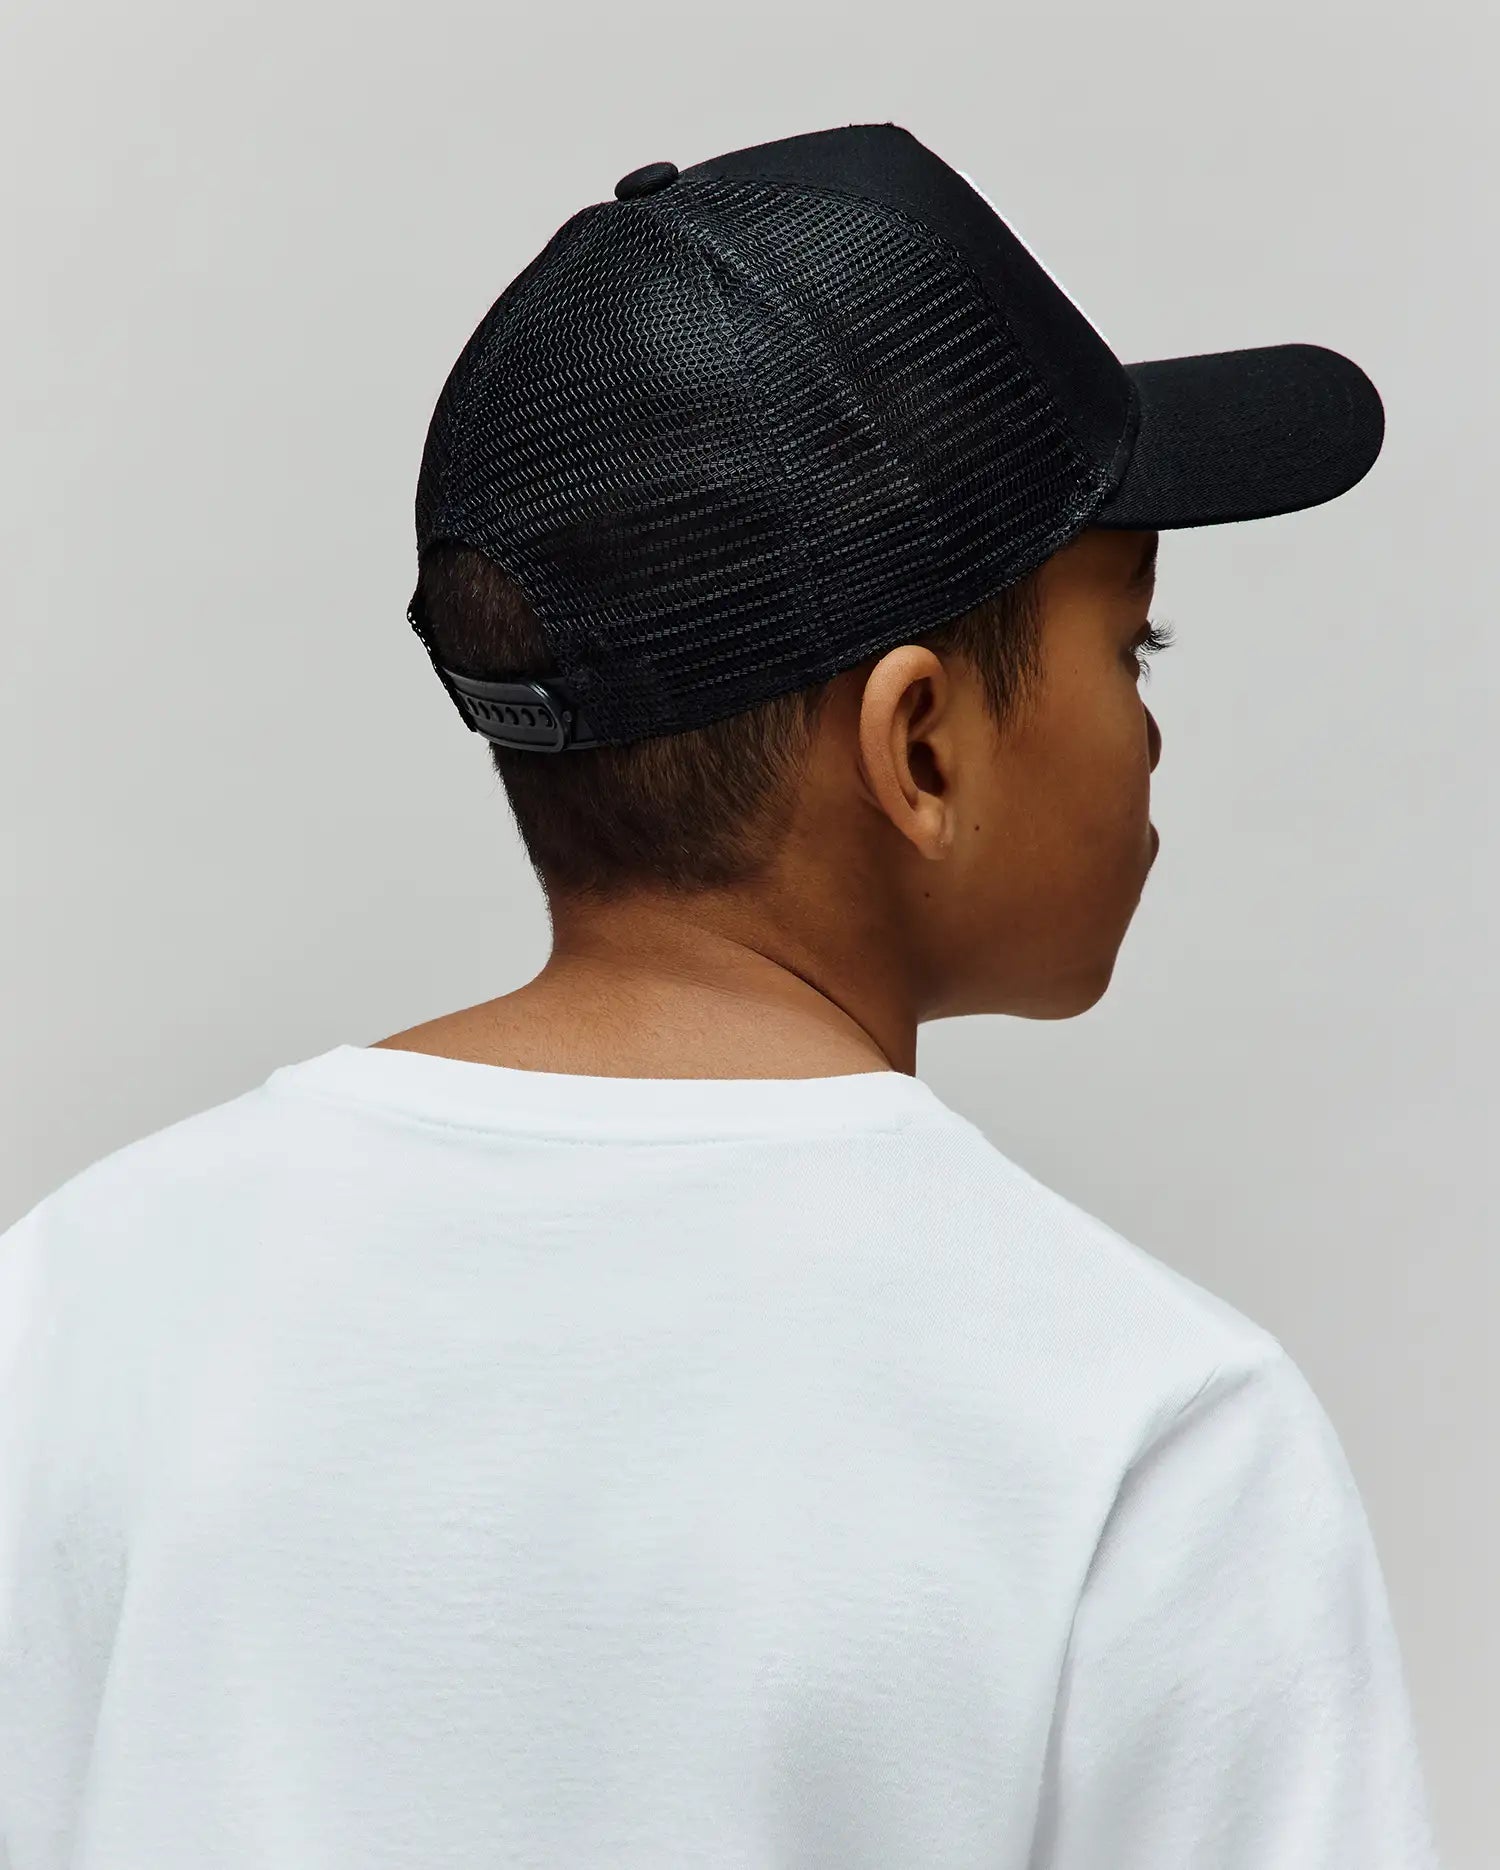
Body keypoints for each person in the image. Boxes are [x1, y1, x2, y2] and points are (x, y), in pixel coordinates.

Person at [0, 123, 1441, 1868]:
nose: (1149, 729)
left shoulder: (76, 1308)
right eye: (1134, 643)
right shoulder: (1147, 1440)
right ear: (920, 745)